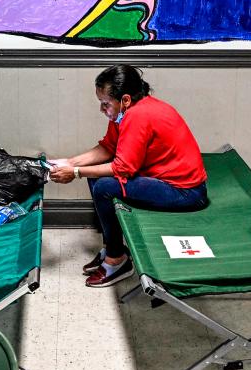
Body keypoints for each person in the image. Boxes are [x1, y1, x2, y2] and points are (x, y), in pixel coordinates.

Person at [49, 65, 208, 287]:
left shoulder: (139, 115)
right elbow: (108, 148)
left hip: (186, 192)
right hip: (164, 180)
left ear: (124, 99)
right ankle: (112, 248)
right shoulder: (127, 112)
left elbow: (123, 168)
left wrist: (74, 172)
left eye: (106, 104)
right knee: (95, 177)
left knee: (104, 186)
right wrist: (70, 162)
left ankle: (117, 260)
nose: (102, 109)